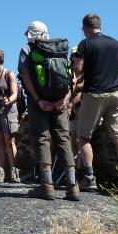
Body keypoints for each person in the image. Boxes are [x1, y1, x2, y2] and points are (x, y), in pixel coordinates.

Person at [72, 13, 118, 192]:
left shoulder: (85, 44)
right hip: (117, 93)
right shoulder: (114, 42)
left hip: (95, 93)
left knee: (83, 136)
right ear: (100, 26)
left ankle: (89, 177)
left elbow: (77, 69)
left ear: (84, 28)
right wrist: (116, 60)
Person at [18, 21, 80, 201]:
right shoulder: (59, 49)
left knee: (42, 138)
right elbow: (71, 77)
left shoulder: (27, 49)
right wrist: (65, 99)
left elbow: (25, 75)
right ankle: (72, 187)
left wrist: (38, 100)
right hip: (60, 102)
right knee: (64, 139)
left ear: (31, 34)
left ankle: (46, 186)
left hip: (39, 104)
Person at [0, 49, 21, 184]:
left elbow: (14, 93)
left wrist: (9, 100)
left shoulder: (9, 74)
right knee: (0, 142)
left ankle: (13, 171)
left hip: (7, 111)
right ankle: (1, 171)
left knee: (9, 141)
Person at [68, 47, 84, 170]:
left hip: (81, 110)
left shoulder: (86, 74)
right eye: (74, 55)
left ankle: (79, 170)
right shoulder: (69, 73)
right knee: (73, 142)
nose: (75, 58)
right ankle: (74, 170)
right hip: (72, 111)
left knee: (80, 141)